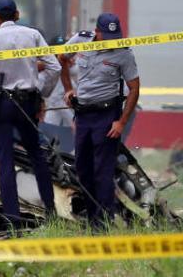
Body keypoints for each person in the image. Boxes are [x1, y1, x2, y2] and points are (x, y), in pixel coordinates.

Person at [0, 0, 61, 225]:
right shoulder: (33, 35)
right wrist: (41, 93)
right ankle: (50, 212)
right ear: (17, 15)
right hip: (28, 103)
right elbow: (55, 67)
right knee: (37, 157)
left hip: (2, 105)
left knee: (5, 160)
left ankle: (13, 220)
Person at [58, 13, 140, 230]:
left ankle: (103, 223)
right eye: (108, 35)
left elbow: (134, 88)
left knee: (103, 171)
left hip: (107, 116)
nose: (112, 40)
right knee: (83, 169)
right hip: (83, 115)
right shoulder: (80, 41)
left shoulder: (123, 53)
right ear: (97, 32)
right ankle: (92, 216)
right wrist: (68, 89)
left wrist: (121, 122)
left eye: (116, 35)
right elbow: (61, 59)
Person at [40, 35, 76, 153]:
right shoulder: (55, 70)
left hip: (62, 122)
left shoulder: (68, 68)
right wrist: (72, 121)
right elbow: (55, 100)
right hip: (57, 123)